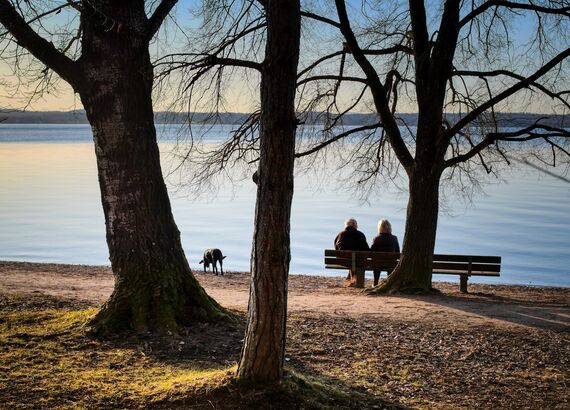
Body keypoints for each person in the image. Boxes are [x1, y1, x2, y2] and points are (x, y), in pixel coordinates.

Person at [334, 218, 369, 282]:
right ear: (353, 225)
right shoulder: (360, 235)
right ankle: (354, 279)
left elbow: (336, 248)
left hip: (343, 261)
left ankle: (350, 278)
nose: (357, 227)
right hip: (358, 261)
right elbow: (366, 250)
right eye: (356, 225)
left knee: (351, 261)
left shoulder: (340, 235)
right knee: (359, 261)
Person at [370, 219, 400, 286]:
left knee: (376, 262)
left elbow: (371, 253)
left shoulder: (376, 238)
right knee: (389, 263)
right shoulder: (394, 238)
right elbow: (398, 252)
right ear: (389, 227)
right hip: (391, 264)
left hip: (378, 264)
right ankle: (389, 283)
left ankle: (375, 282)